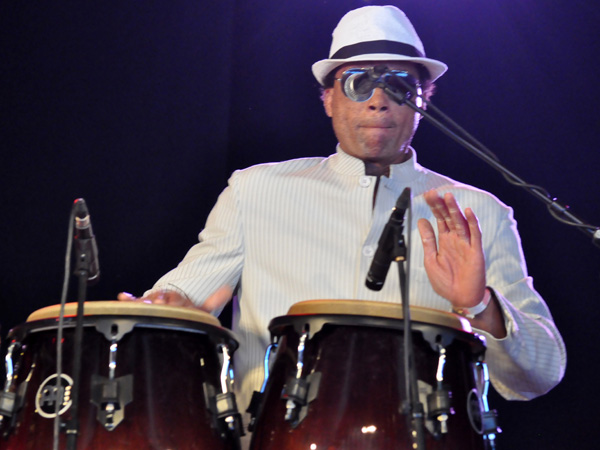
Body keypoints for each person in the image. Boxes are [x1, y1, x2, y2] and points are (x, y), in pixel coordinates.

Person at [119, 3, 566, 442]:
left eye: (397, 85)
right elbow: (181, 299)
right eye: (357, 83)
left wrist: (482, 306)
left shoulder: (477, 212)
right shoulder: (256, 191)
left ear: (423, 102)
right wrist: (168, 308)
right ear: (329, 99)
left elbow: (541, 373)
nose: (377, 102)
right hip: (274, 436)